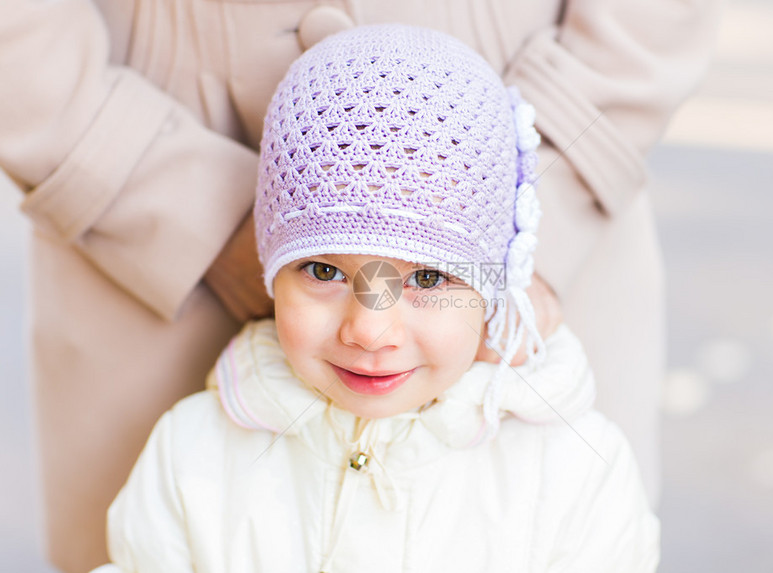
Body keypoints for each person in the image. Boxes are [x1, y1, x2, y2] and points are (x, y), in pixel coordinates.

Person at [0, 1, 715, 571]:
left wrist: (515, 218)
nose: (370, 328)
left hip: (527, 151)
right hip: (142, 224)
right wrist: (164, 194)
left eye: (428, 275)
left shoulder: (567, 477)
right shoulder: (186, 460)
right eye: (321, 270)